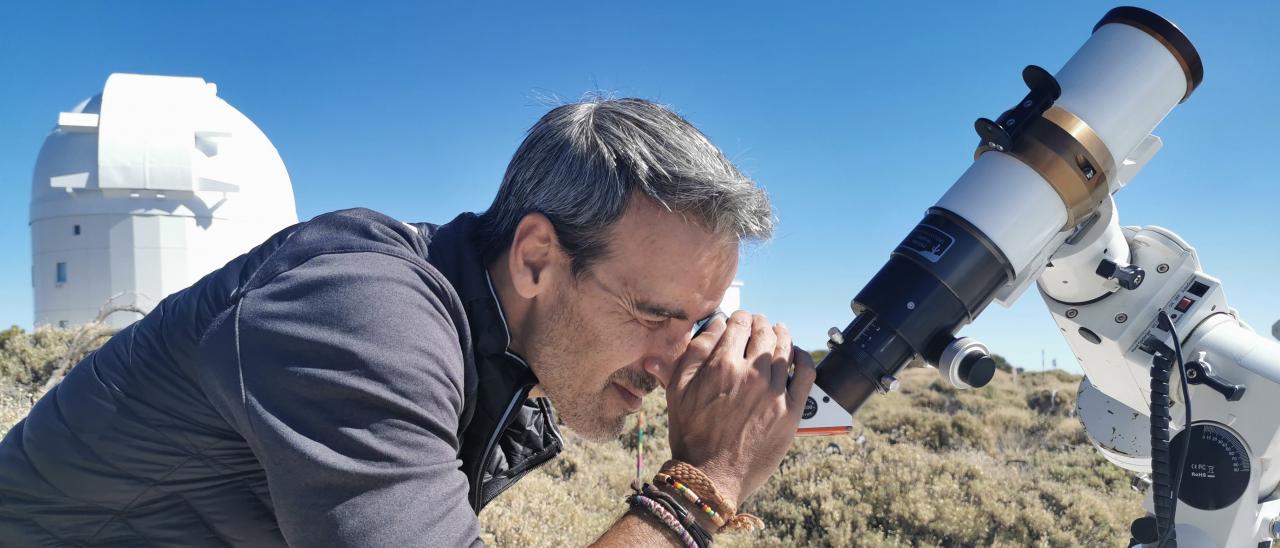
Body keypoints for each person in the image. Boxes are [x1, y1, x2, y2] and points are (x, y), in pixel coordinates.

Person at [0, 98, 816, 547]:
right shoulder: (360, 314)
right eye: (654, 313)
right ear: (537, 258)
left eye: (703, 322)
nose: (679, 361)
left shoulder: (497, 340)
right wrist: (707, 483)